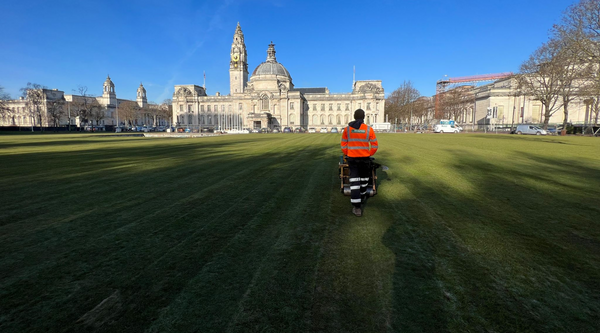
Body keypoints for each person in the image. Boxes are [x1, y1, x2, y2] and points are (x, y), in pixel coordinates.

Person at [340, 109, 378, 217]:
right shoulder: (368, 129)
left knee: (354, 181)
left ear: (354, 116)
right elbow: (375, 145)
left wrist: (349, 153)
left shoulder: (347, 130)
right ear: (364, 117)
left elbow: (343, 145)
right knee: (364, 180)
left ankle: (357, 207)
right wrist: (368, 153)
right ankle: (362, 196)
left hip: (352, 159)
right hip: (365, 159)